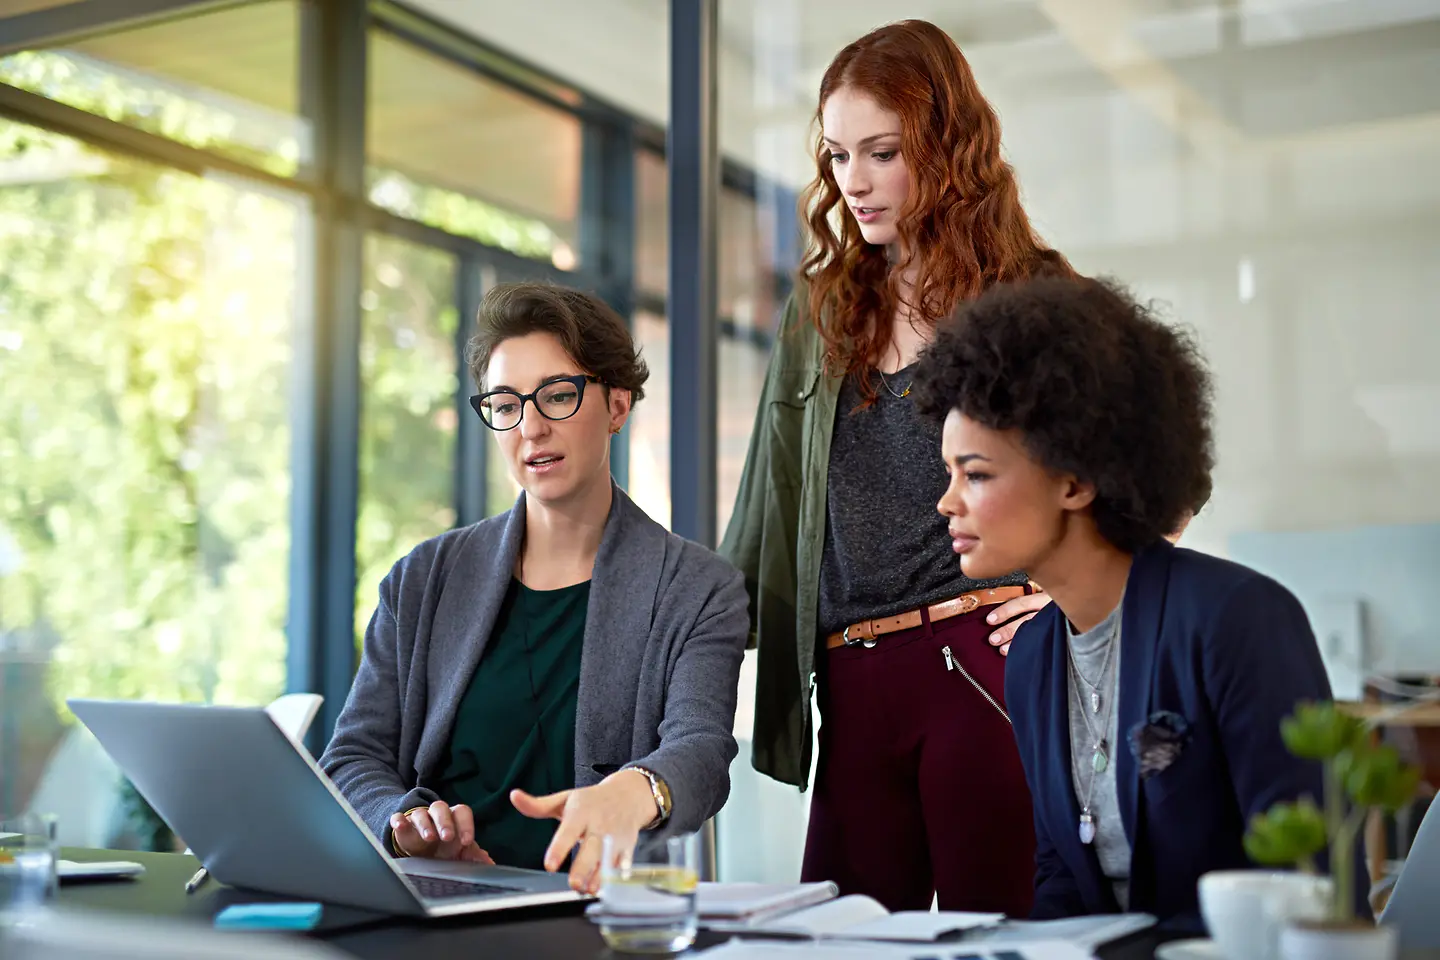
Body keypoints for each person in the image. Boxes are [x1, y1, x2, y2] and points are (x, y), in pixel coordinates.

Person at [720, 19, 1074, 915]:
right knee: (834, 935)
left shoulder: (1033, 297)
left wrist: (1073, 593)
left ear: (947, 145)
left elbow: (1164, 476)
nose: (855, 183)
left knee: (991, 936)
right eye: (839, 155)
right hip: (846, 681)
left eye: (882, 152)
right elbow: (764, 511)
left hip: (980, 664)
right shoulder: (822, 313)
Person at [912, 274, 1350, 929]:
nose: (948, 503)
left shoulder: (1237, 619)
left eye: (975, 474)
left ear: (1075, 481)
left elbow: (1307, 881)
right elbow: (1060, 874)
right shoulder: (1033, 655)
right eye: (950, 475)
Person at [321, 282, 749, 894]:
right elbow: (354, 756)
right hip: (436, 908)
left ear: (618, 406)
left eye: (558, 396)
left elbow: (702, 749)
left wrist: (636, 790)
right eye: (505, 404)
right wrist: (403, 824)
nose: (532, 428)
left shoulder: (697, 588)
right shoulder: (423, 579)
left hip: (598, 914)